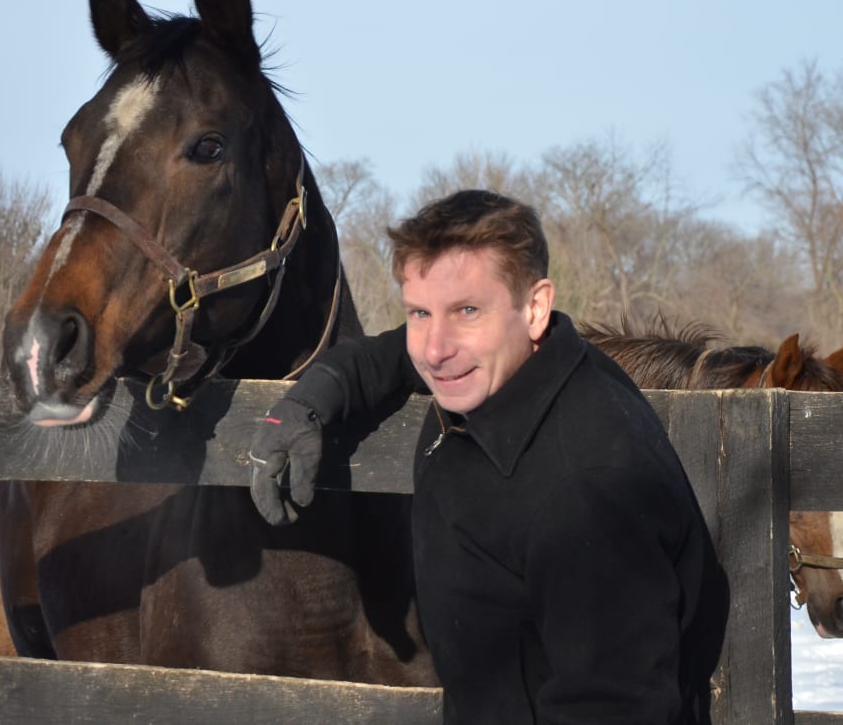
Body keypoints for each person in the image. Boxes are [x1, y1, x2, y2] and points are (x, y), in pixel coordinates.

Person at [248, 190, 728, 724]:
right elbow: (393, 354)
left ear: (536, 307)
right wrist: (312, 400)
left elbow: (613, 707)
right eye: (420, 312)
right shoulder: (522, 363)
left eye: (467, 310)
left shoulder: (588, 494)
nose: (435, 348)